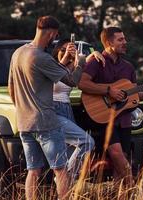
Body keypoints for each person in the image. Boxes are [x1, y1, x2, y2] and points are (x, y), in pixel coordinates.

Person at [8, 16, 86, 200]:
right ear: (51, 33)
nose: (55, 39)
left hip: (24, 123)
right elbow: (72, 81)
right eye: (55, 36)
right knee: (61, 170)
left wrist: (22, 109)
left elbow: (10, 87)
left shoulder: (18, 53)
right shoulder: (41, 57)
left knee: (33, 171)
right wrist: (80, 62)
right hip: (46, 124)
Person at [78, 27, 143, 185]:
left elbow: (133, 94)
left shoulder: (128, 67)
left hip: (124, 120)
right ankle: (134, 190)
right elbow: (83, 84)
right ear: (109, 42)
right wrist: (108, 90)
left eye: (125, 39)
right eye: (121, 40)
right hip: (103, 118)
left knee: (120, 162)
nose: (125, 42)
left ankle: (121, 195)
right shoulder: (96, 62)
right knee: (116, 152)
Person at [51, 39, 105, 180]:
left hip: (67, 109)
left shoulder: (70, 69)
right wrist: (66, 57)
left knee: (70, 153)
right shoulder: (52, 67)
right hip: (54, 110)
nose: (66, 53)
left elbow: (81, 64)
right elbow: (53, 78)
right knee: (86, 142)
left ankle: (66, 184)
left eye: (69, 50)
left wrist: (94, 54)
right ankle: (65, 178)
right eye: (63, 50)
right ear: (57, 51)